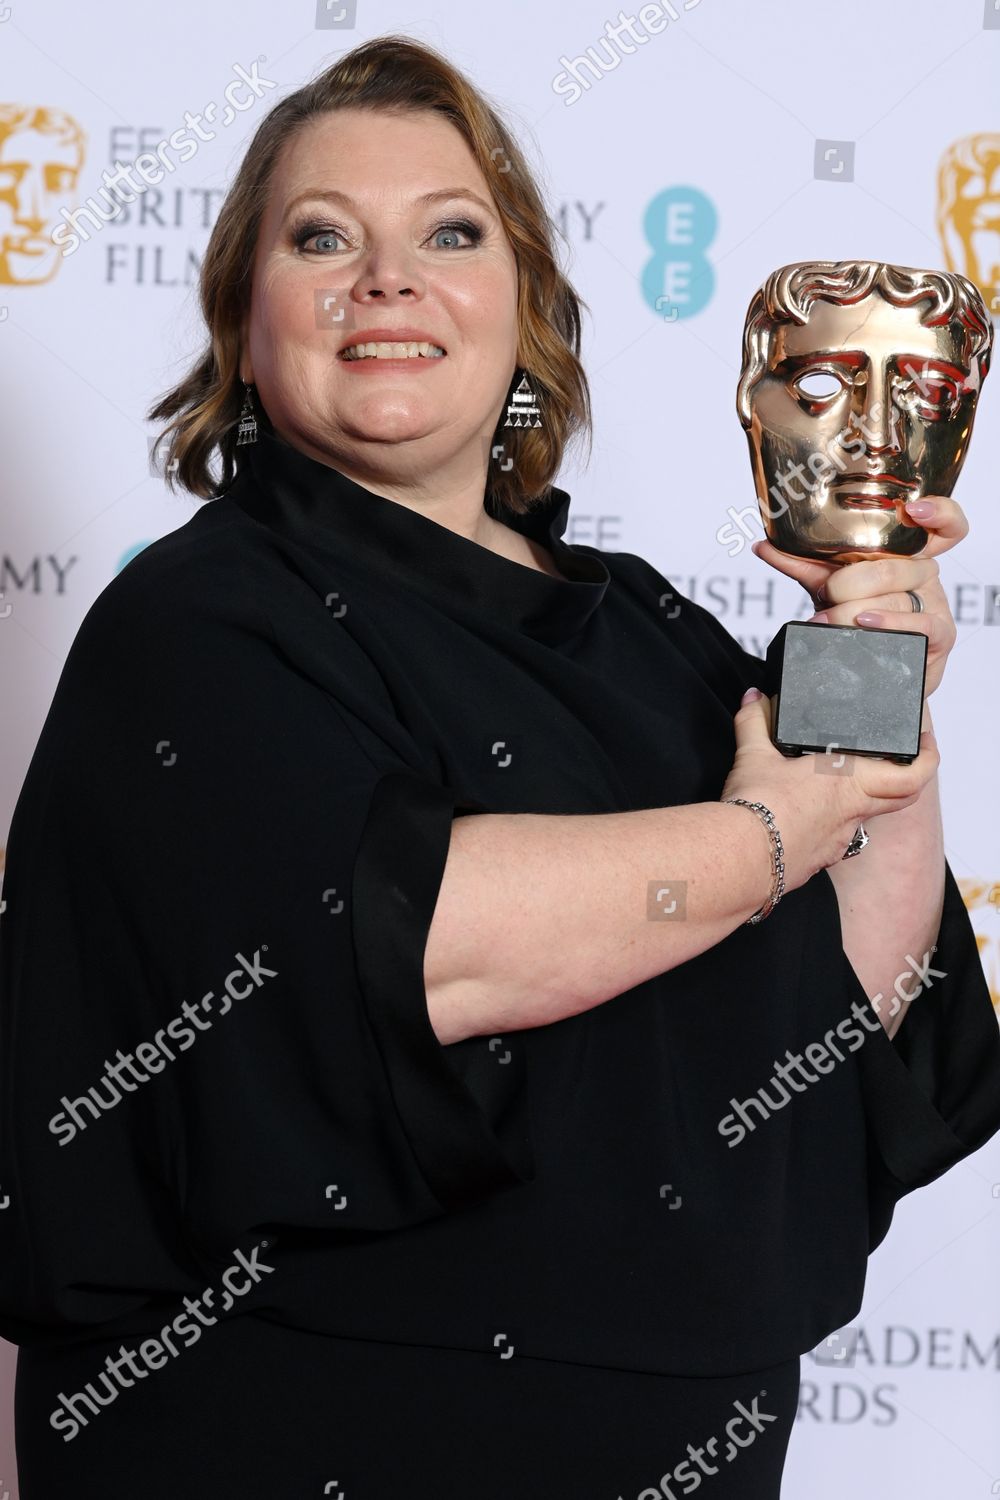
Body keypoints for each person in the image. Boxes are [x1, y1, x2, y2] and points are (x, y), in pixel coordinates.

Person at [1, 33, 998, 1500]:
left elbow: (840, 1011)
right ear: (242, 316)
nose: (386, 279)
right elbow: (414, 950)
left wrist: (874, 717)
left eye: (450, 234)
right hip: (303, 1434)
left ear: (524, 305)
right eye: (320, 236)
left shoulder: (648, 626)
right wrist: (764, 831)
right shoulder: (199, 623)